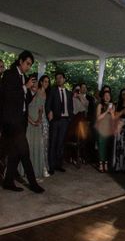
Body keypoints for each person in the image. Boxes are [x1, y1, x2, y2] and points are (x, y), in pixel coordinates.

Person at [0, 51, 44, 192]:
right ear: (20, 61)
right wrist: (25, 87)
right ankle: (33, 184)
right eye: (27, 64)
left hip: (20, 121)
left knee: (14, 153)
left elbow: (24, 101)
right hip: (11, 122)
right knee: (24, 152)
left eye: (30, 65)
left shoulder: (23, 77)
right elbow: (8, 96)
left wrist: (31, 91)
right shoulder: (9, 74)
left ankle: (8, 182)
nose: (28, 67)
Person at [46, 71, 73, 174]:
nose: (58, 79)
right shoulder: (52, 91)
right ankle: (51, 167)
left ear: (64, 79)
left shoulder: (69, 93)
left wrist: (70, 118)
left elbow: (71, 107)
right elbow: (48, 105)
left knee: (61, 144)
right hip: (55, 121)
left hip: (65, 121)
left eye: (60, 77)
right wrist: (49, 112)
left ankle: (59, 165)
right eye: (57, 78)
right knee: (53, 143)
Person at [25, 74, 48, 180]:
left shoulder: (39, 94)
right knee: (29, 147)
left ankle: (36, 171)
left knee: (37, 146)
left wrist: (39, 119)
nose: (34, 83)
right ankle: (27, 172)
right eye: (32, 81)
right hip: (28, 124)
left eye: (36, 81)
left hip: (37, 124)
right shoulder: (25, 94)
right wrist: (32, 122)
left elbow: (41, 109)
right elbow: (23, 112)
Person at [95, 88, 116, 173]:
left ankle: (106, 164)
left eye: (108, 96)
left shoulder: (113, 105)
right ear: (103, 97)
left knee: (108, 146)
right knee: (101, 146)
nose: (107, 97)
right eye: (105, 96)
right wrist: (107, 111)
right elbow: (98, 118)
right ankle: (100, 164)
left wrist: (111, 113)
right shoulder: (100, 105)